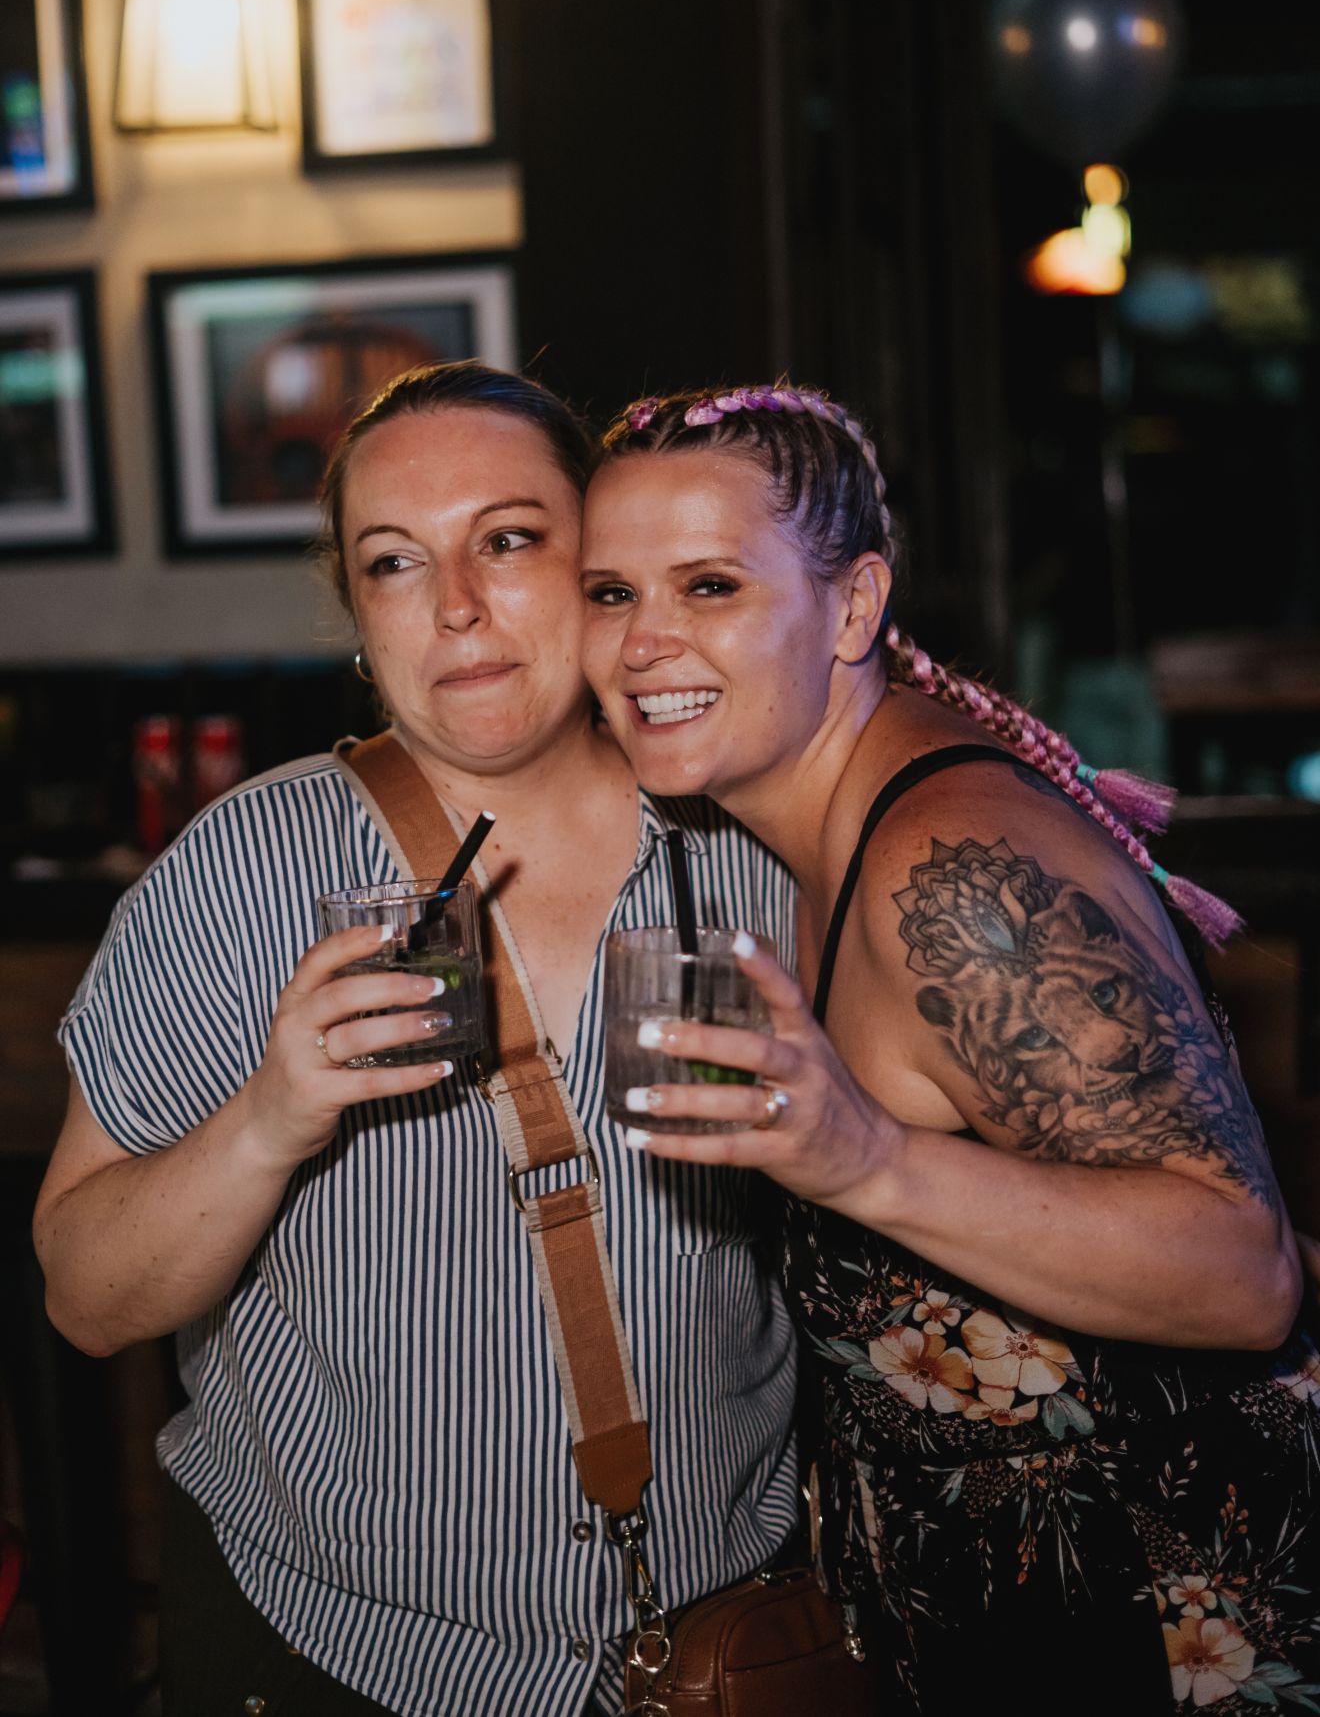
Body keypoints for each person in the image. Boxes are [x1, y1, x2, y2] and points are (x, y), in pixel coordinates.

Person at [33, 363, 801, 1717]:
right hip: (342, 1651)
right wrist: (270, 1120)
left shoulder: (750, 842)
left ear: (597, 567)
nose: (455, 604)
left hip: (717, 1635)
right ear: (359, 612)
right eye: (396, 562)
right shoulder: (252, 868)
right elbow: (85, 1298)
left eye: (507, 541)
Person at [579, 382, 1320, 1713]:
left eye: (709, 586)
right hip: (1029, 1604)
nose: (644, 644)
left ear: (853, 607)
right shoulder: (813, 834)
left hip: (1164, 1612)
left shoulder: (954, 873)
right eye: (611, 593)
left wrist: (867, 1161)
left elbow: (1241, 1271)